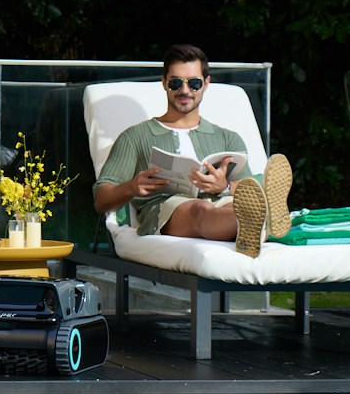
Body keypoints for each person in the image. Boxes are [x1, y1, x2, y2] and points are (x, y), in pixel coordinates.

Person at [93, 44, 292, 258]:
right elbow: (101, 200)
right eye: (176, 82)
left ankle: (255, 223)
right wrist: (131, 187)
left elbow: (247, 188)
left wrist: (223, 186)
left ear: (206, 84)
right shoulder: (135, 137)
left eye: (194, 83)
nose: (185, 91)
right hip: (165, 209)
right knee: (201, 210)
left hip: (221, 201)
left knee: (232, 207)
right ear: (164, 83)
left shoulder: (227, 137)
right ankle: (265, 222)